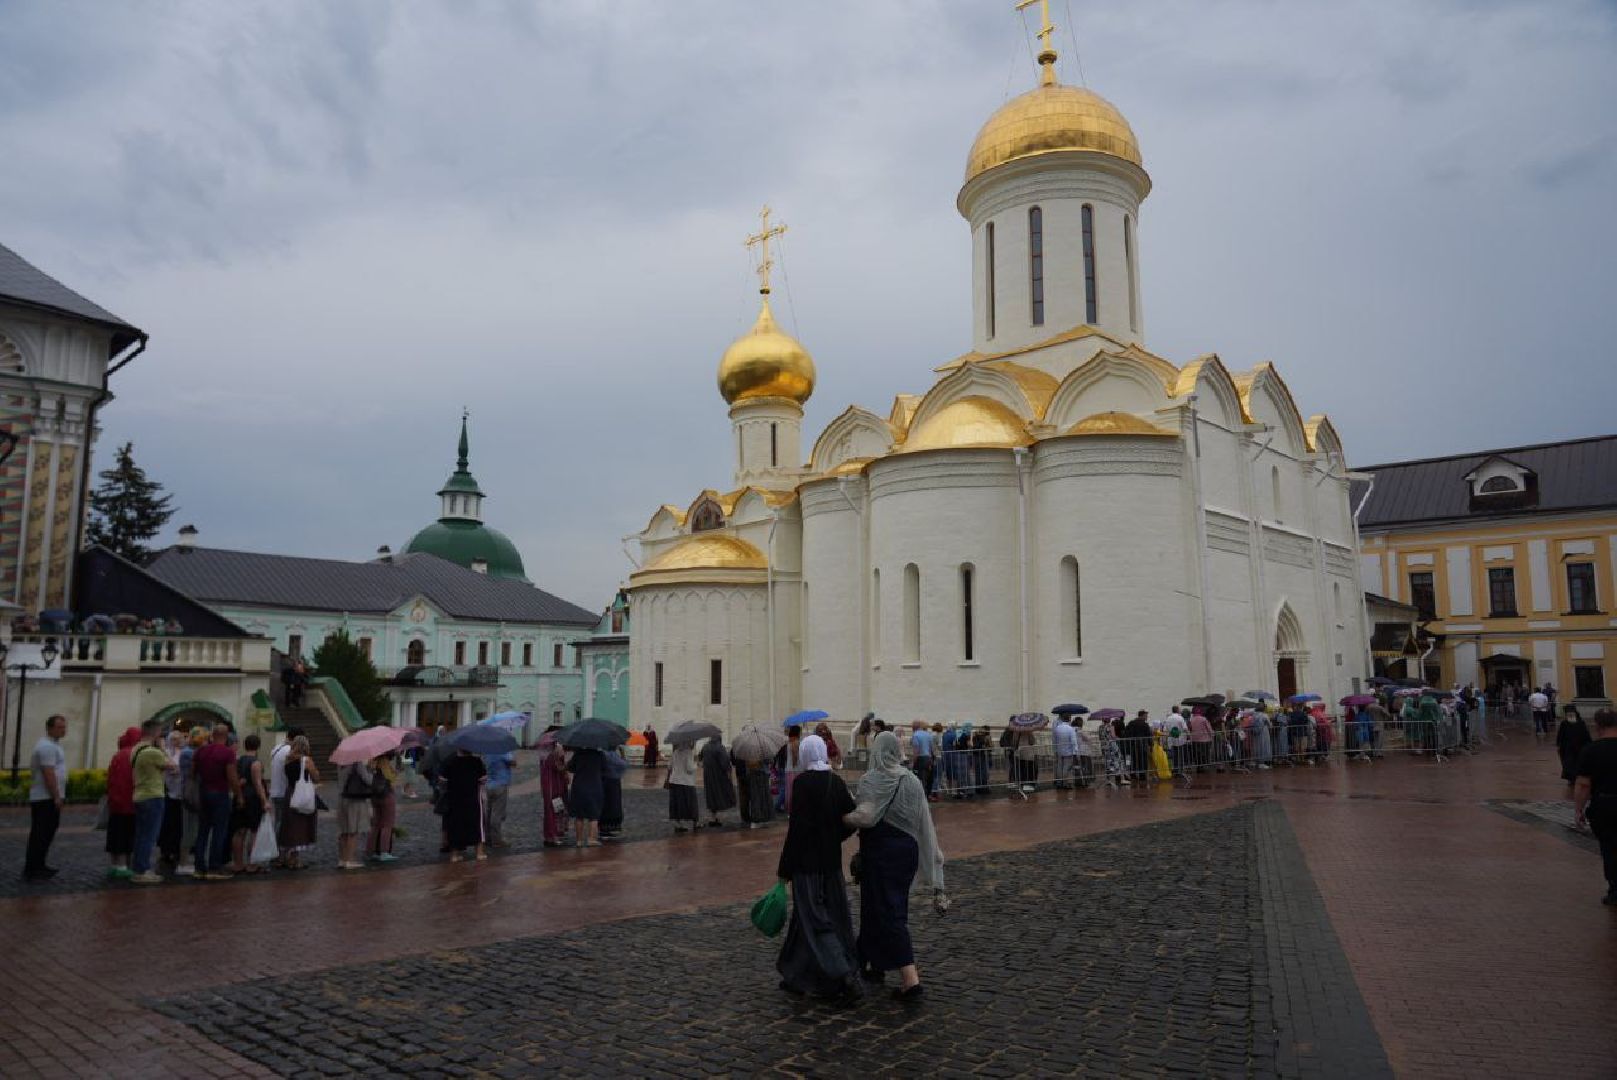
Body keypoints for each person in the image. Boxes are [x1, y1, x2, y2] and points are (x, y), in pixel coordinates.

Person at [844, 730, 947, 1000]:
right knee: (880, 905)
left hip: (880, 851)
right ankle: (870, 961)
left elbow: (864, 817)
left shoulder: (871, 780)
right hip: (906, 852)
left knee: (887, 910)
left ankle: (910, 980)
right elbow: (924, 820)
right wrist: (935, 857)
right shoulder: (911, 781)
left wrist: (842, 817)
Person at [775, 733, 860, 1002]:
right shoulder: (836, 782)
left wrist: (785, 869)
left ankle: (844, 974)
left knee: (817, 919)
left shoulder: (803, 784)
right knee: (809, 918)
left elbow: (797, 830)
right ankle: (795, 974)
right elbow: (852, 819)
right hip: (831, 864)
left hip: (807, 867)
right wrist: (834, 838)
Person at [1572, 709, 1617, 906]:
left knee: (1609, 848)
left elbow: (1583, 784)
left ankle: (1615, 889)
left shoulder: (1590, 750)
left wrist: (1578, 809)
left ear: (1597, 726)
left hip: (1605, 805)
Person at [22, 715, 69, 881]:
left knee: (46, 832)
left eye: (64, 727)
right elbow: (48, 773)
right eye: (59, 727)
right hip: (45, 798)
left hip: (47, 797)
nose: (63, 730)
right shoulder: (47, 747)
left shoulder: (53, 745)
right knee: (41, 833)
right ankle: (33, 868)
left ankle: (39, 864)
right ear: (49, 728)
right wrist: (56, 796)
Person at [192, 723, 240, 880]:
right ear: (226, 736)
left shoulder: (201, 751)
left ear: (212, 735)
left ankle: (199, 868)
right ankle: (214, 867)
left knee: (203, 831)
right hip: (220, 793)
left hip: (204, 792)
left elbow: (193, 773)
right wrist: (239, 794)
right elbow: (232, 776)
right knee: (219, 831)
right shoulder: (227, 753)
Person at [128, 720, 172, 885]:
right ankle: (142, 870)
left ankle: (138, 867)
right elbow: (173, 766)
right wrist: (162, 748)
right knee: (149, 836)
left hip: (139, 794)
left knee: (141, 835)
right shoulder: (153, 752)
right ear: (156, 733)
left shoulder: (136, 749)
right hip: (153, 795)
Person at [228, 734, 270, 875]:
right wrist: (264, 801)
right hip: (253, 800)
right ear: (258, 746)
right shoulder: (256, 763)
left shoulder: (237, 761)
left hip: (239, 797)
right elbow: (258, 784)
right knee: (254, 831)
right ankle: (252, 864)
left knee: (239, 831)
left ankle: (238, 863)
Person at [104, 727, 141, 880]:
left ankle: (114, 864)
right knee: (127, 833)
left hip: (116, 800)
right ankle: (122, 865)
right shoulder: (134, 754)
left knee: (115, 831)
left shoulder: (119, 754)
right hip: (129, 800)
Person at [278, 736, 319, 870]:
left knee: (288, 826)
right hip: (301, 795)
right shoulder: (306, 760)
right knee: (300, 826)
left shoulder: (288, 760)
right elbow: (316, 777)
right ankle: (294, 859)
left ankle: (283, 856)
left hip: (290, 793)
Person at [442, 749, 488, 862]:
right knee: (477, 823)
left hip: (454, 799)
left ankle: (454, 854)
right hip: (473, 798)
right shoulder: (476, 761)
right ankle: (479, 852)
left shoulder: (449, 761)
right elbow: (483, 778)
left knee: (455, 823)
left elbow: (442, 779)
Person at [266, 726, 300, 867]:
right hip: (285, 792)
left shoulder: (277, 748)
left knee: (279, 823)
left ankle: (277, 854)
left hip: (275, 791)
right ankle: (283, 855)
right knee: (286, 825)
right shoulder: (290, 752)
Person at [336, 756, 374, 870]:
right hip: (355, 800)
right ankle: (350, 859)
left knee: (344, 830)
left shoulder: (340, 762)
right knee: (353, 830)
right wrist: (371, 770)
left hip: (342, 798)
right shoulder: (357, 763)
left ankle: (342, 859)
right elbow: (368, 780)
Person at [158, 729, 187, 868]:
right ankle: (166, 850)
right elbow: (171, 767)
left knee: (178, 824)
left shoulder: (183, 753)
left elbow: (178, 769)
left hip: (181, 794)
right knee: (167, 823)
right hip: (168, 793)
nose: (176, 741)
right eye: (173, 739)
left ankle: (176, 850)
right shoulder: (166, 753)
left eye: (178, 738)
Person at [567, 746, 606, 848]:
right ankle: (592, 839)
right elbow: (605, 768)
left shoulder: (578, 754)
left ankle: (579, 840)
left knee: (579, 816)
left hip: (579, 786)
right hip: (594, 786)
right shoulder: (599, 754)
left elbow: (570, 767)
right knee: (594, 815)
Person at [368, 752, 399, 862]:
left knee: (376, 824)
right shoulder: (384, 761)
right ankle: (384, 852)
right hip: (386, 795)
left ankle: (371, 851)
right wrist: (394, 772)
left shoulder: (372, 761)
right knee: (387, 824)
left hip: (374, 796)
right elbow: (391, 778)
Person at [700, 735, 736, 827]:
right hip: (718, 775)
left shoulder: (705, 746)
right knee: (720, 794)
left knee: (711, 794)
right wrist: (729, 772)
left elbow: (700, 758)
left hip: (707, 775)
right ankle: (716, 817)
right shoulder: (720, 748)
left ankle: (712, 816)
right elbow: (725, 763)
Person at [540, 738, 571, 847]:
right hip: (554, 786)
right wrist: (566, 767)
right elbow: (559, 767)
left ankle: (555, 833)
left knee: (556, 809)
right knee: (553, 809)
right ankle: (552, 835)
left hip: (552, 785)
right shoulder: (553, 754)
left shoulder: (545, 753)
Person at [666, 741, 700, 833]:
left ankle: (678, 824)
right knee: (691, 802)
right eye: (692, 742)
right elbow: (689, 768)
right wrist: (696, 764)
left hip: (674, 781)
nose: (693, 744)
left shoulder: (675, 752)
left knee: (676, 803)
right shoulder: (688, 752)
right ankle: (695, 822)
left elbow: (669, 766)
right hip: (686, 781)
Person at [483, 749, 514, 847]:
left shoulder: (487, 752)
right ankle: (496, 840)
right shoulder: (502, 751)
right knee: (497, 814)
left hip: (489, 785)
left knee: (489, 812)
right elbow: (512, 762)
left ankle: (487, 837)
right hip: (500, 784)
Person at [1557, 707, 1593, 791]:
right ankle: (1571, 778)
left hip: (1580, 747)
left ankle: (1577, 777)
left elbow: (1586, 735)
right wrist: (1559, 745)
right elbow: (1560, 735)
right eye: (1568, 714)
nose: (1570, 715)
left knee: (1579, 762)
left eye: (1571, 714)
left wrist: (1589, 745)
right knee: (1568, 763)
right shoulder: (1564, 723)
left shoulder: (1581, 723)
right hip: (1567, 748)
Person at [600, 747, 627, 841]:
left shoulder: (602, 752)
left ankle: (604, 827)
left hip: (604, 780)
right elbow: (623, 765)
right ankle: (609, 828)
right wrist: (623, 754)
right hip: (611, 782)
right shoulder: (611, 754)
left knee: (606, 803)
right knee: (612, 803)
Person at [1123, 711, 1154, 784]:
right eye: (1146, 716)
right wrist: (1151, 744)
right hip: (1141, 745)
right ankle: (1142, 775)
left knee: (1132, 760)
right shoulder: (1144, 724)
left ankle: (1132, 774)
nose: (1146, 717)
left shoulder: (1131, 723)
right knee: (1142, 760)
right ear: (1142, 716)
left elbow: (1126, 733)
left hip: (1131, 745)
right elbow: (1148, 735)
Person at [909, 722, 937, 800]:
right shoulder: (928, 735)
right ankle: (928, 795)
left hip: (920, 758)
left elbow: (916, 750)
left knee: (920, 778)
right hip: (928, 758)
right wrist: (932, 760)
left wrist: (913, 762)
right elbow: (932, 749)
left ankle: (922, 797)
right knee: (929, 777)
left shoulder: (915, 735)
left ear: (913, 728)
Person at [1051, 714, 1078, 790]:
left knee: (1060, 766)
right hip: (1068, 751)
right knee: (1066, 767)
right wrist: (1075, 751)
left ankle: (1059, 782)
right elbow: (1073, 741)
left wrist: (1055, 749)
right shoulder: (1070, 729)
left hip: (1060, 750)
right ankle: (1065, 783)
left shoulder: (1057, 728)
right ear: (1069, 719)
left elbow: (1055, 739)